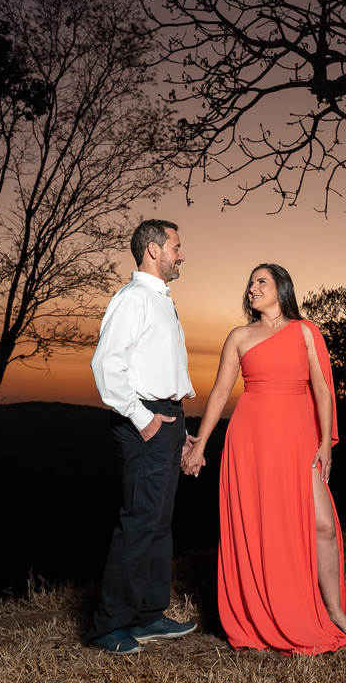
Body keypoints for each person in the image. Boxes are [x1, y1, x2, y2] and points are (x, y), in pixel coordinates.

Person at [182, 263, 346, 654]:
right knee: (264, 529)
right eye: (249, 283)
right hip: (251, 441)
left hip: (298, 439)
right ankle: (268, 614)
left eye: (261, 281)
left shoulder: (305, 331)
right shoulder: (240, 336)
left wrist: (326, 442)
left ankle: (335, 612)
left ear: (282, 288)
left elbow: (323, 390)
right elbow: (219, 393)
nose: (252, 288)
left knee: (323, 525)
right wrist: (200, 444)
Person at [85, 219, 197, 655]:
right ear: (154, 249)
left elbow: (163, 368)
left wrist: (179, 427)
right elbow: (106, 365)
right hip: (144, 424)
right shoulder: (133, 299)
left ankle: (149, 615)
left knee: (159, 523)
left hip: (168, 420)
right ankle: (108, 627)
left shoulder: (161, 300)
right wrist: (144, 418)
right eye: (177, 246)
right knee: (137, 525)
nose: (181, 254)